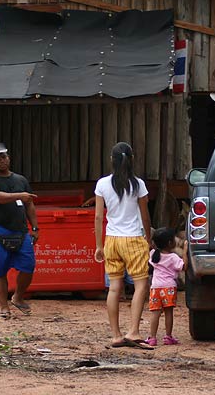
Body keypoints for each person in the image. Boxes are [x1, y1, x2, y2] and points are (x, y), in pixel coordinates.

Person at [94, 142, 153, 349]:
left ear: (112, 160)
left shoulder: (102, 184)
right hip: (133, 240)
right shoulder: (138, 184)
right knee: (140, 285)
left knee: (114, 288)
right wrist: (148, 238)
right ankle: (134, 331)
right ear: (132, 159)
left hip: (112, 240)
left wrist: (99, 245)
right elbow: (145, 216)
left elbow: (99, 216)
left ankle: (116, 335)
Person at [0, 142, 39, 319]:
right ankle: (3, 307)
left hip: (21, 231)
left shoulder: (20, 180)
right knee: (0, 271)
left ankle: (18, 297)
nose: (2, 161)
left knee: (28, 267)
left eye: (4, 157)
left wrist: (35, 227)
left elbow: (30, 205)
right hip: (0, 231)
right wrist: (19, 195)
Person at [145, 228, 188, 346]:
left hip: (155, 288)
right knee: (168, 313)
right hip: (169, 287)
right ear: (170, 243)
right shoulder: (173, 257)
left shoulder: (153, 254)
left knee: (155, 313)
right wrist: (185, 251)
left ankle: (152, 338)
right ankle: (168, 337)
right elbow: (184, 267)